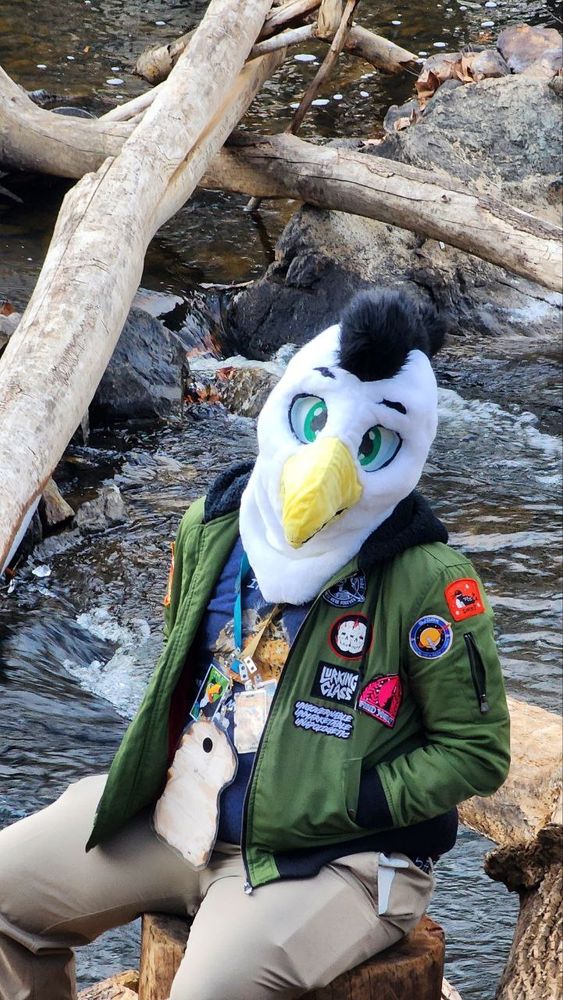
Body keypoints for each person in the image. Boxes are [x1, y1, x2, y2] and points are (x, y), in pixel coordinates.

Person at [0, 289, 510, 1000]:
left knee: (208, 991)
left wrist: (345, 799)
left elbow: (475, 751)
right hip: (183, 820)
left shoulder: (429, 579)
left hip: (338, 861)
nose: (325, 461)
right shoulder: (211, 528)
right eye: (312, 419)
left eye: (369, 445)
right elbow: (185, 677)